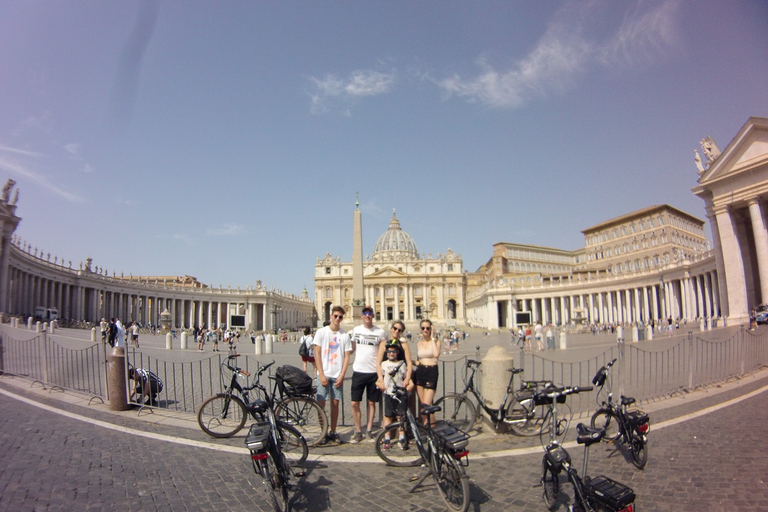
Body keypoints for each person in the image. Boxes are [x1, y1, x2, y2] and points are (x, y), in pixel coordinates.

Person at [313, 306, 352, 445]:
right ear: (331, 316)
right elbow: (316, 354)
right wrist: (321, 374)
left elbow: (347, 357)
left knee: (335, 403)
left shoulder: (345, 335)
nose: (337, 319)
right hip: (323, 373)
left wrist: (342, 375)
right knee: (320, 403)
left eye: (340, 317)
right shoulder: (321, 332)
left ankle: (333, 431)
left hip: (337, 374)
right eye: (335, 316)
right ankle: (323, 431)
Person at [349, 306, 386, 443]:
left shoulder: (380, 332)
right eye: (365, 313)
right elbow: (352, 348)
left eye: (370, 313)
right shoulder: (356, 330)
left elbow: (383, 350)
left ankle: (369, 430)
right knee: (354, 403)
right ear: (362, 315)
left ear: (373, 315)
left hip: (373, 372)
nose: (367, 315)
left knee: (371, 403)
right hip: (358, 371)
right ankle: (358, 430)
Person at [377, 345, 408, 450]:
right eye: (389, 351)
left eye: (394, 351)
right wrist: (379, 384)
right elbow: (379, 379)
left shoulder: (402, 364)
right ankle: (387, 437)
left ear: (397, 352)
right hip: (388, 392)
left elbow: (406, 377)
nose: (391, 353)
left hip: (400, 393)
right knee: (388, 416)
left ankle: (402, 437)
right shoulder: (384, 364)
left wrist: (408, 386)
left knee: (401, 416)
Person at [413, 319, 440, 425]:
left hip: (431, 372)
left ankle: (433, 431)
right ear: (420, 329)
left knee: (427, 406)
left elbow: (436, 354)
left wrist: (432, 337)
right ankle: (427, 432)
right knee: (422, 406)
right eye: (423, 328)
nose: (425, 330)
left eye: (428, 328)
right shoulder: (419, 343)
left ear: (431, 328)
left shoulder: (436, 341)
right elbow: (419, 359)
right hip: (420, 372)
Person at [376, 320, 413, 393]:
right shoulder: (383, 344)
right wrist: (380, 378)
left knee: (409, 388)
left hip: (401, 375)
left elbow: (409, 363)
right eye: (395, 328)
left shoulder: (404, 344)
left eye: (399, 330)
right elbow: (378, 363)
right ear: (391, 328)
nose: (396, 331)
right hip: (387, 375)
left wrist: (408, 378)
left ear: (401, 332)